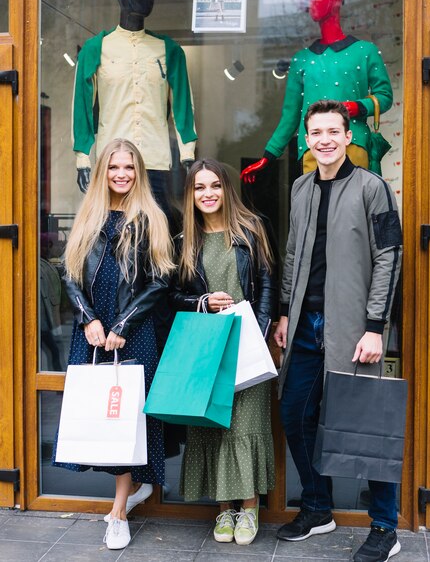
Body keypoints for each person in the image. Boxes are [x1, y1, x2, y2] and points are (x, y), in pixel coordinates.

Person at [273, 100, 402, 562]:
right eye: (316, 132)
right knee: (295, 413)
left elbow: (390, 255)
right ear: (306, 139)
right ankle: (317, 507)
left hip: (353, 327)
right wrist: (285, 312)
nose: (324, 139)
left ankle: (386, 527)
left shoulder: (374, 188)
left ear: (349, 137)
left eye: (333, 131)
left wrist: (374, 327)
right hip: (306, 324)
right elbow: (292, 255)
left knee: (366, 428)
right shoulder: (302, 188)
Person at [53, 138, 174, 550]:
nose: (122, 174)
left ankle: (118, 512)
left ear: (139, 172)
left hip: (133, 329)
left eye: (129, 167)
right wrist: (89, 319)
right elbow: (69, 274)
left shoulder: (150, 217)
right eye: (114, 167)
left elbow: (160, 280)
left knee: (125, 417)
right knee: (100, 415)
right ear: (103, 171)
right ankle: (134, 486)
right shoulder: (90, 215)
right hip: (92, 330)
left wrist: (123, 322)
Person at [170, 159, 276, 546]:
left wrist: (260, 333)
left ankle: (249, 508)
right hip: (205, 345)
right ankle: (223, 511)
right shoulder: (184, 241)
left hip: (246, 340)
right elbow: (172, 296)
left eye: (215, 185)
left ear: (227, 189)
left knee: (244, 426)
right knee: (212, 424)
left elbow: (267, 284)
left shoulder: (251, 230)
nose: (208, 194)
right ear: (190, 194)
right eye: (199, 188)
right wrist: (201, 300)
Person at [241, 0, 393, 181]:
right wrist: (268, 156)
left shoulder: (365, 51)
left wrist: (356, 107)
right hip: (311, 151)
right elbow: (290, 116)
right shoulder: (302, 59)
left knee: (355, 208)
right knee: (314, 209)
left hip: (354, 144)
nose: (311, 1)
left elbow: (384, 96)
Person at [73, 0, 197, 207]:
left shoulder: (170, 51)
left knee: (156, 237)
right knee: (112, 235)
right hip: (112, 165)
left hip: (155, 163)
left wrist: (188, 156)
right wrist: (83, 160)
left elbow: (183, 108)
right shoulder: (95, 49)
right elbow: (82, 110)